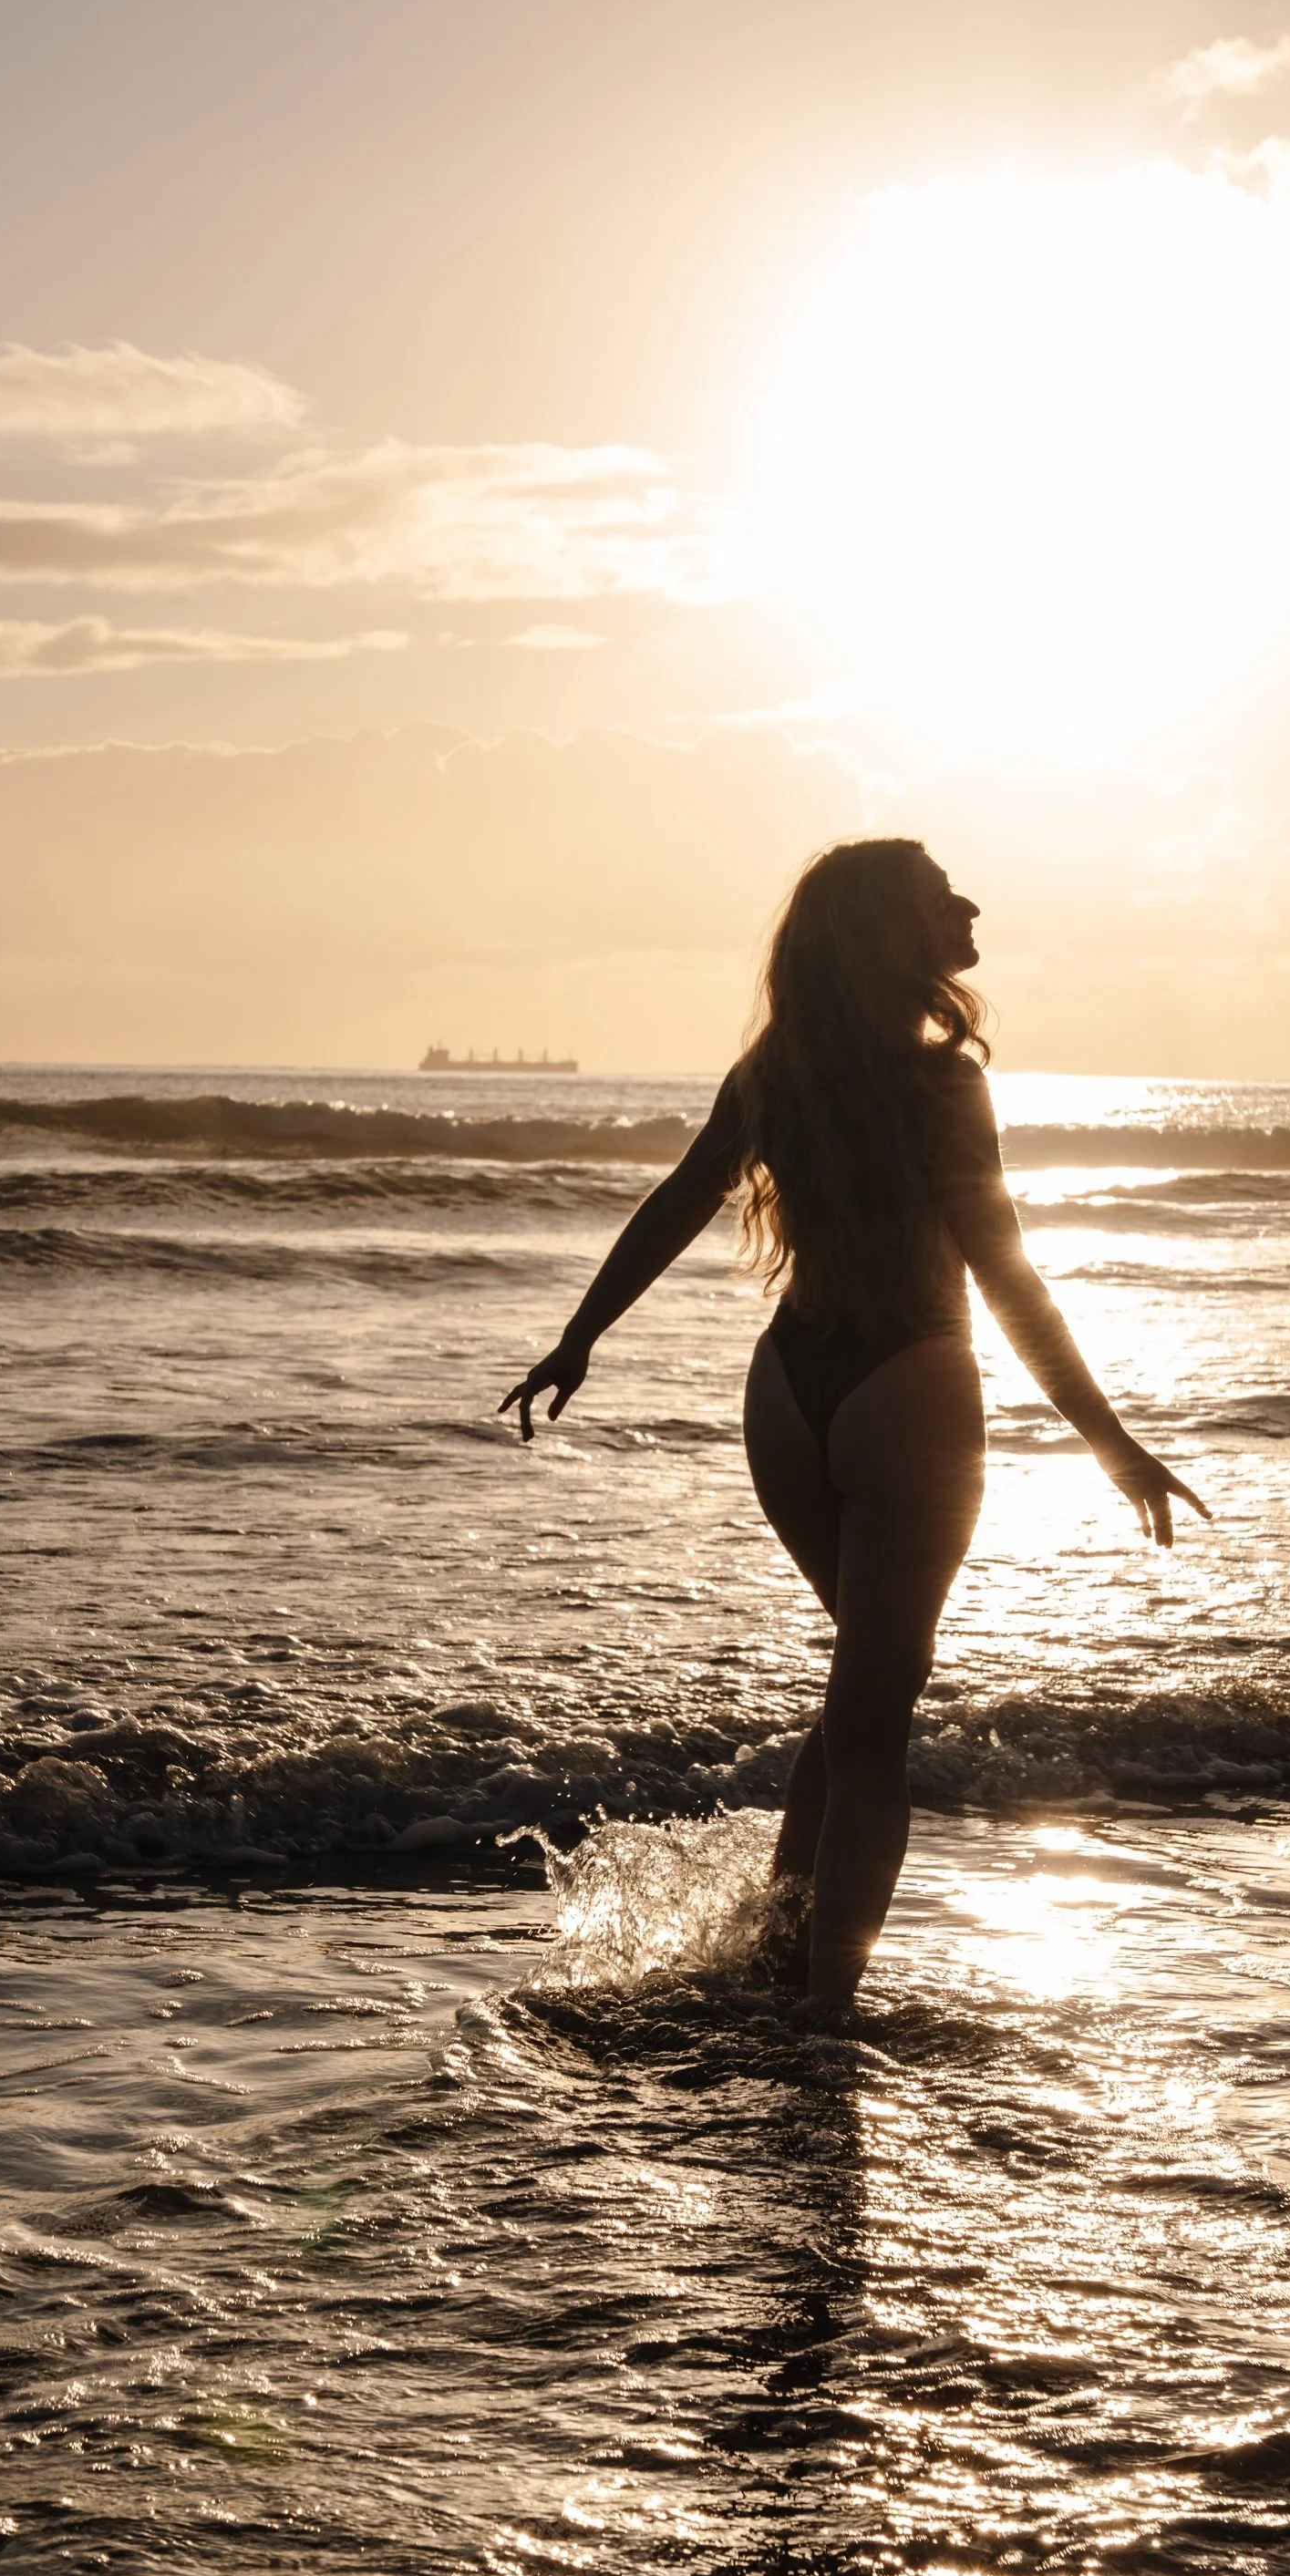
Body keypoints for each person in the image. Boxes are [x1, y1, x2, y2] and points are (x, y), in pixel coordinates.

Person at [500, 837, 1207, 2004]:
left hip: (787, 1390)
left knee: (858, 1686)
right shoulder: (942, 1082)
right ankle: (825, 2019)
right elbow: (1004, 1271)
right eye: (940, 898)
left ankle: (782, 1955)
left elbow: (680, 1199)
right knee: (876, 1715)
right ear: (893, 932)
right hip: (909, 1382)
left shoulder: (775, 1068)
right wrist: (1106, 1436)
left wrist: (582, 1335)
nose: (967, 905)